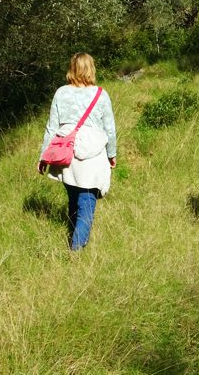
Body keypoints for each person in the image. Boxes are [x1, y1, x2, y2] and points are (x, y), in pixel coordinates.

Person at [38, 53, 116, 251]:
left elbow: (51, 128)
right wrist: (111, 154)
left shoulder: (61, 93)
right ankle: (76, 250)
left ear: (71, 69)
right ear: (91, 68)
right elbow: (110, 129)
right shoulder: (101, 94)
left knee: (74, 197)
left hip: (66, 155)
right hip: (93, 155)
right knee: (87, 202)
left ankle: (73, 238)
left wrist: (43, 157)